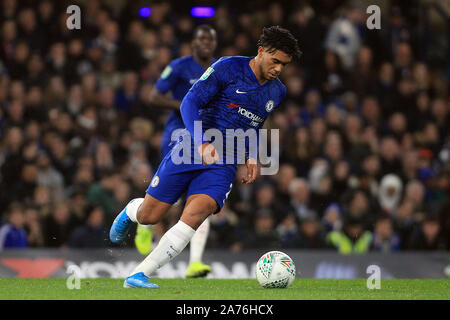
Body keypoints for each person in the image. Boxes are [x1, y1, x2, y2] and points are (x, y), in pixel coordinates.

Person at [109, 26, 301, 288]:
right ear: (260, 52)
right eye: (275, 61)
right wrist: (201, 141)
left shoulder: (277, 91)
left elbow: (255, 124)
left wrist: (252, 156)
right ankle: (131, 211)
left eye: (284, 64)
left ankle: (140, 273)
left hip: (224, 162)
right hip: (190, 148)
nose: (279, 69)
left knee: (197, 212)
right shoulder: (227, 67)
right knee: (149, 216)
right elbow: (189, 103)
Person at [133, 24, 218, 279]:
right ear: (193, 42)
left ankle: (194, 262)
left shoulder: (218, 69)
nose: (205, 43)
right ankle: (143, 220)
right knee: (172, 199)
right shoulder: (179, 67)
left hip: (205, 139)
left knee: (204, 197)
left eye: (210, 40)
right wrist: (183, 104)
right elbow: (153, 96)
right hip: (178, 136)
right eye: (201, 38)